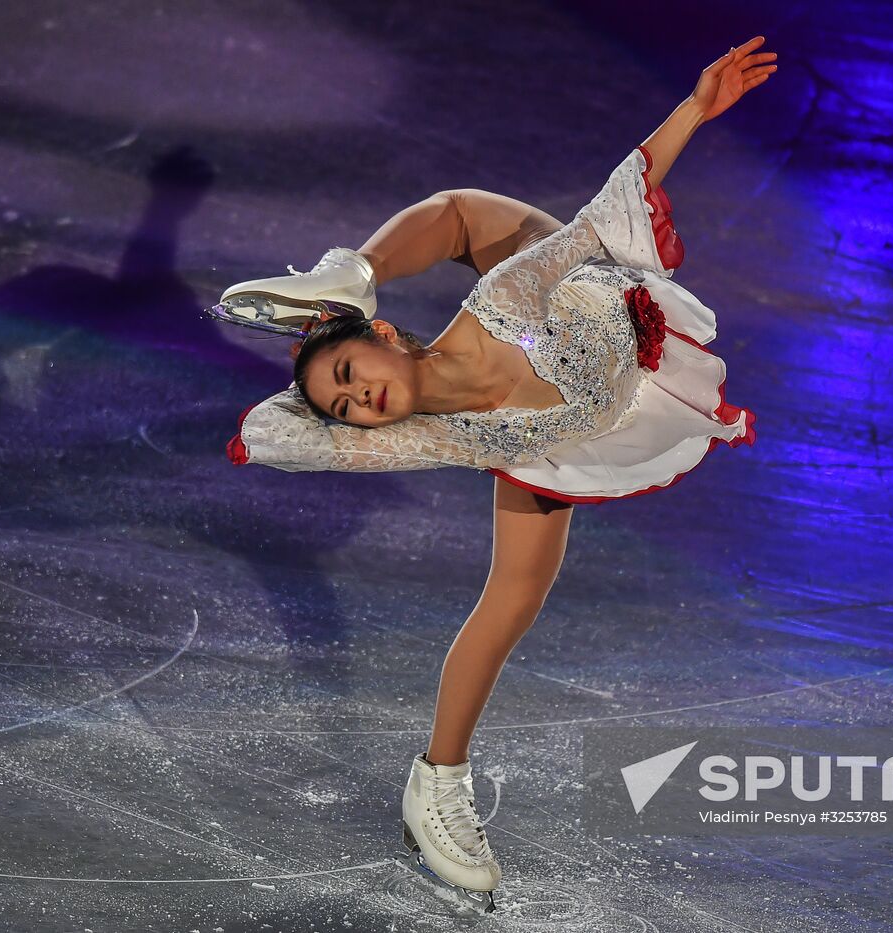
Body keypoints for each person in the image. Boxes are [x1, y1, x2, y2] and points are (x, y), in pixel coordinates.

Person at [217, 37, 778, 911]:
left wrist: (695, 108)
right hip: (562, 438)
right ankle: (436, 781)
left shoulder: (499, 305)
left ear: (385, 332)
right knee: (512, 600)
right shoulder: (433, 437)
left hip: (597, 304)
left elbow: (601, 212)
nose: (357, 398)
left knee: (469, 214)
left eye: (348, 372)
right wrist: (290, 408)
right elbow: (279, 437)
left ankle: (349, 271)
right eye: (344, 405)